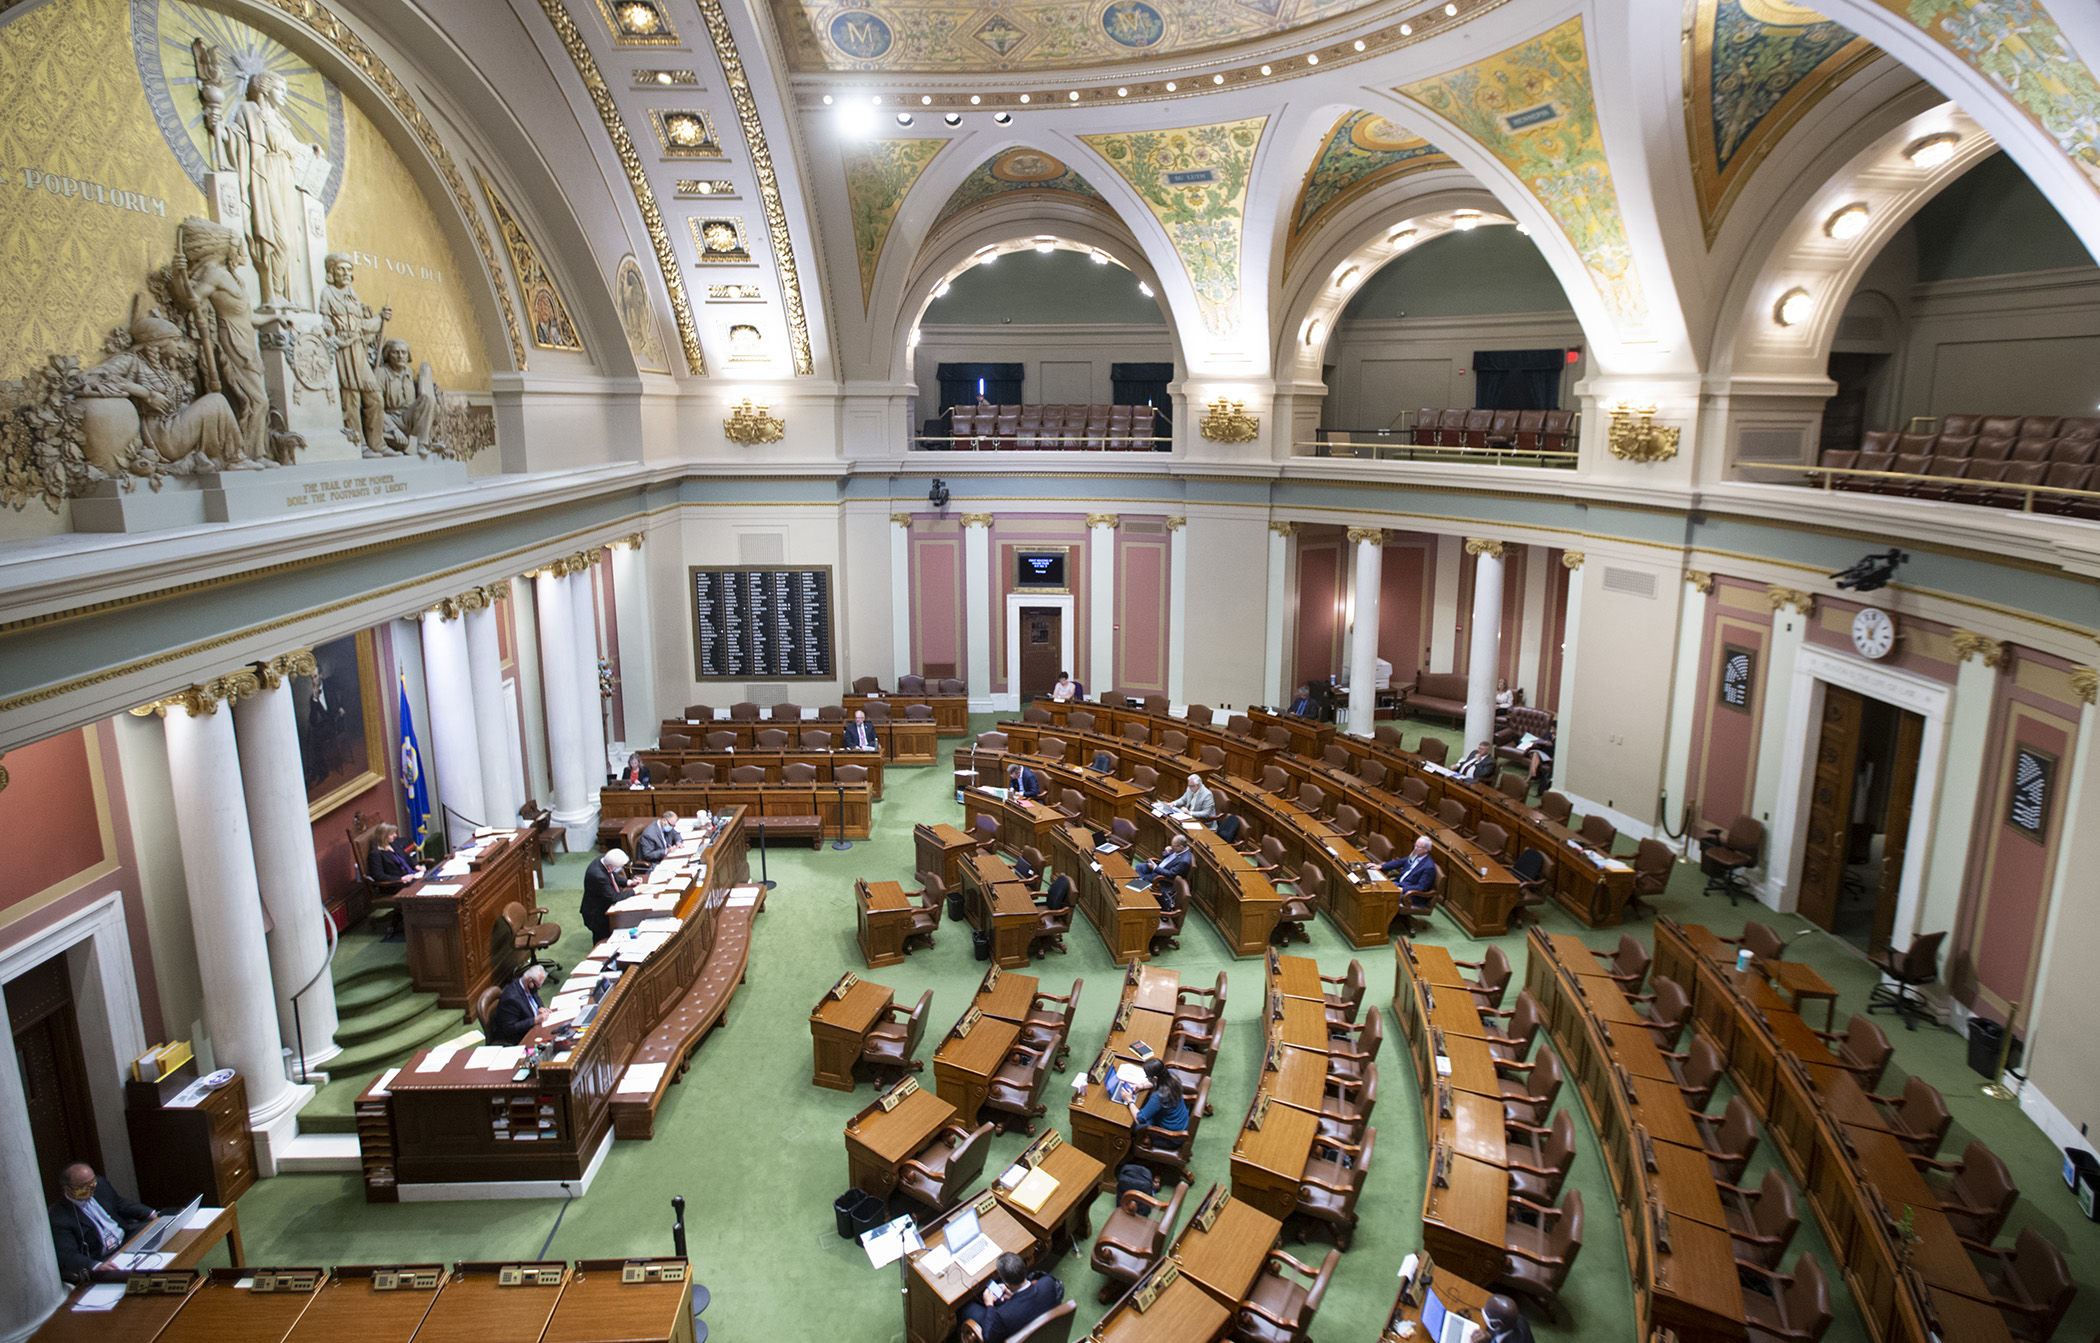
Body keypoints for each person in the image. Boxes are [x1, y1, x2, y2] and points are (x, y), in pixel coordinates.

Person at [48, 1163, 156, 1285]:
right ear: (68, 1189)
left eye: (92, 1181)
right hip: (104, 1258)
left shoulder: (100, 1185)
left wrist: (150, 1213)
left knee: (160, 1233)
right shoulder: (58, 1217)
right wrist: (95, 1266)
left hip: (125, 1238)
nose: (92, 1187)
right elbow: (67, 1255)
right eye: (84, 1186)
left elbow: (120, 1204)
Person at [958, 1252, 1065, 1343]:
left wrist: (989, 1305)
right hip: (1041, 1328)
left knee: (968, 1308)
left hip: (1015, 1329)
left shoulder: (1003, 1315)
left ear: (1007, 1284)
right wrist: (1013, 1294)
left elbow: (987, 1337)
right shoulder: (1048, 1283)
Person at [1128, 1058, 1189, 1145]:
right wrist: (1141, 1086)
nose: (1147, 1079)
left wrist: (1129, 1101)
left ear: (1155, 1078)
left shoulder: (1159, 1097)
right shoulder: (1172, 1076)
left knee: (1134, 1127)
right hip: (1179, 1123)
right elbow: (1154, 1082)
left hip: (1171, 1137)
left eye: (1148, 1077)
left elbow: (1139, 1119)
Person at [486, 964, 548, 1046]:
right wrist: (535, 1020)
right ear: (530, 982)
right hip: (519, 1037)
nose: (538, 989)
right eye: (538, 986)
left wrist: (541, 1008)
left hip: (534, 1027)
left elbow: (536, 996)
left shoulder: (528, 985)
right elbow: (510, 1028)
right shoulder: (511, 999)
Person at [581, 847, 630, 943]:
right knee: (602, 939)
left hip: (603, 905)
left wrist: (628, 882)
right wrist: (635, 891)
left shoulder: (604, 860)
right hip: (596, 914)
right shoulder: (598, 876)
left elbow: (613, 877)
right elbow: (614, 897)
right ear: (611, 867)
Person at [1382, 836, 1439, 915]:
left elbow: (1420, 887)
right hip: (1400, 884)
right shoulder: (1415, 855)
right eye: (1415, 845)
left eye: (1418, 847)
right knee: (1379, 887)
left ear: (1426, 850)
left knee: (1383, 895)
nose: (1415, 848)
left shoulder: (1429, 867)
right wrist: (1381, 866)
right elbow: (1400, 862)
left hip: (1411, 895)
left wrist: (1403, 889)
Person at [367, 822, 423, 889]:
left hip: (412, 876)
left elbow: (406, 856)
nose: (395, 835)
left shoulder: (393, 844)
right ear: (384, 836)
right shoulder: (375, 854)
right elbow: (379, 876)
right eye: (392, 834)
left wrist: (416, 866)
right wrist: (401, 879)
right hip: (397, 885)